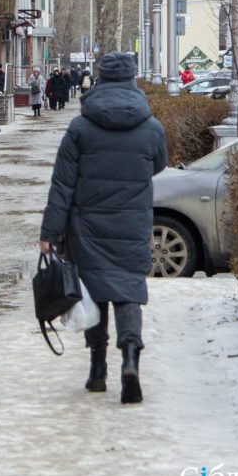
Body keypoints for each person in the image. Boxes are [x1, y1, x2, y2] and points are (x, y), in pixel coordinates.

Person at [38, 51, 167, 404]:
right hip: (132, 221)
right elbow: (158, 165)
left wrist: (49, 234)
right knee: (128, 292)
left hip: (87, 226)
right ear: (132, 78)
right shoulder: (151, 127)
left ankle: (97, 370)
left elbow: (61, 185)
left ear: (100, 77)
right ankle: (130, 360)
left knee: (94, 291)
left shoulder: (80, 128)